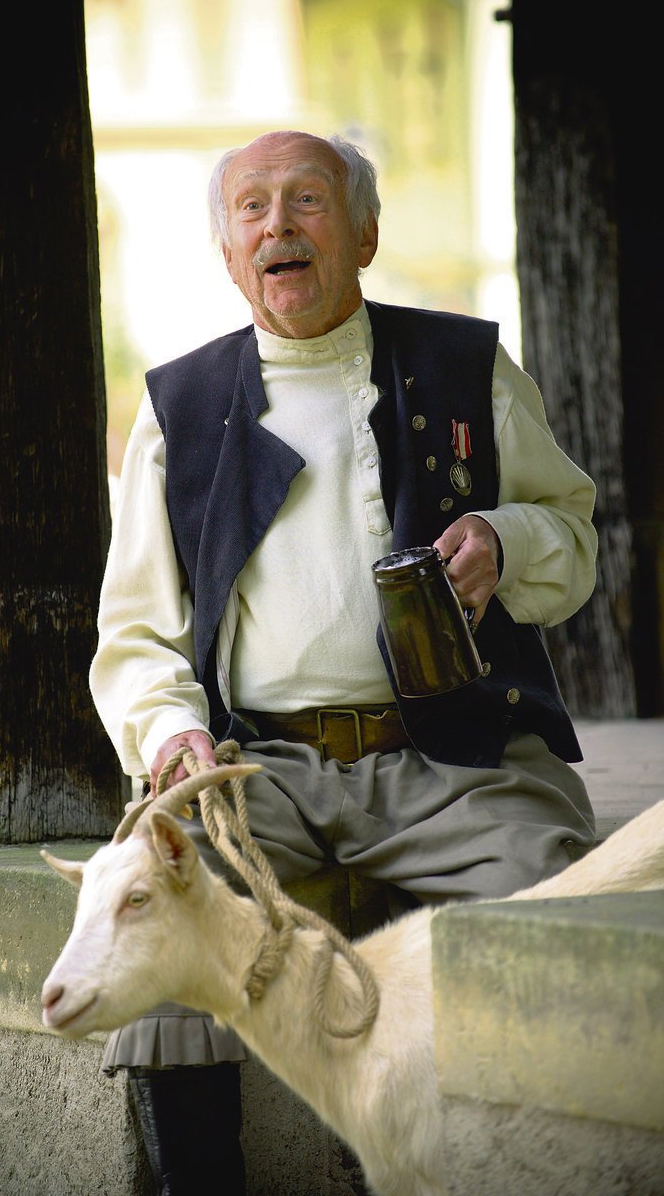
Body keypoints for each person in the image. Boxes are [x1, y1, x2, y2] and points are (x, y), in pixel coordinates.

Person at [89, 130, 597, 1195]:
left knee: (553, 916)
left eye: (309, 200)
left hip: (457, 762)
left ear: (364, 233)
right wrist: (171, 734)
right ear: (230, 255)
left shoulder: (463, 367)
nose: (279, 224)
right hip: (261, 770)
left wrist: (506, 541)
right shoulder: (181, 411)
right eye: (253, 208)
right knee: (163, 899)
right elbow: (137, 630)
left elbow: (575, 538)